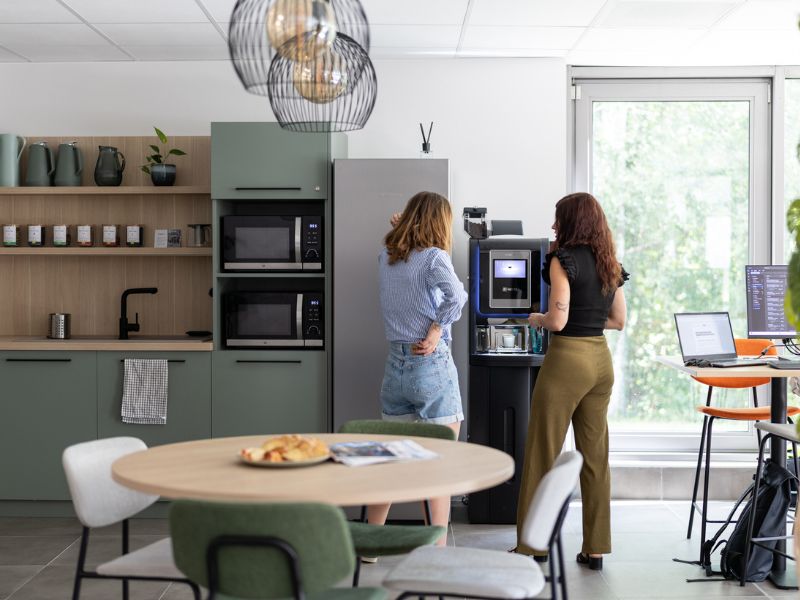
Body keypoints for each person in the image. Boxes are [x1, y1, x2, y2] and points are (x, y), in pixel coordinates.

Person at [515, 192, 628, 571]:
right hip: (600, 361)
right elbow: (619, 321)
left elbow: (558, 320)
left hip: (567, 360)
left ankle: (532, 546)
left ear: (571, 222)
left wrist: (537, 319)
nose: (553, 225)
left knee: (542, 451)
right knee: (595, 457)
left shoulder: (562, 261)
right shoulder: (610, 263)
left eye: (558, 218)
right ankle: (596, 548)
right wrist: (589, 319)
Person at [368, 190, 468, 549]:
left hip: (394, 369)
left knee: (390, 463)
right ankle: (436, 553)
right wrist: (437, 328)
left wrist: (402, 226)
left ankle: (370, 543)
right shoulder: (434, 258)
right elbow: (457, 297)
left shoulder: (386, 257)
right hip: (430, 366)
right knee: (439, 466)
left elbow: (402, 244)